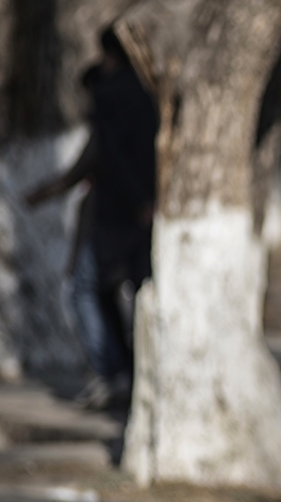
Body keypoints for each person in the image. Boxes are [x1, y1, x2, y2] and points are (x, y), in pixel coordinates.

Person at [25, 65, 120, 409]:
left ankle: (109, 371)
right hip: (115, 224)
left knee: (83, 291)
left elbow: (79, 171)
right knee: (100, 293)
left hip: (105, 224)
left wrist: (40, 193)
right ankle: (115, 369)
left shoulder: (110, 122)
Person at [87, 26, 158, 402]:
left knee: (103, 290)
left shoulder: (109, 95)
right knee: (142, 290)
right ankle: (138, 370)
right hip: (146, 207)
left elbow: (111, 156)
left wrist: (136, 200)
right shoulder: (150, 93)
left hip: (118, 210)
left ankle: (125, 370)